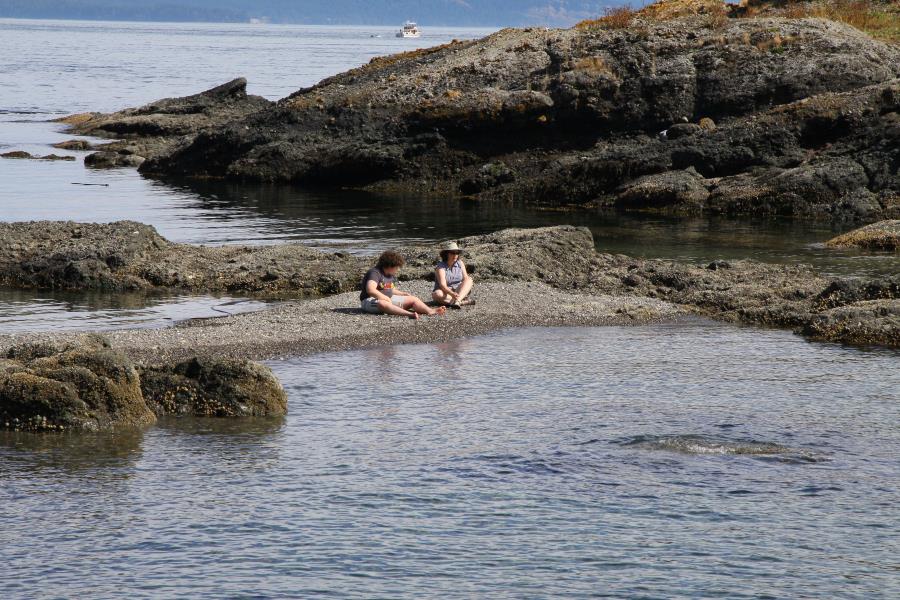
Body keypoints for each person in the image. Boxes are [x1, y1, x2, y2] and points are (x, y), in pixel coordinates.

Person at [360, 250, 446, 319]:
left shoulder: (390, 275)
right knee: (383, 303)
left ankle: (430, 311)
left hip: (388, 299)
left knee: (413, 299)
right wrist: (385, 298)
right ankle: (409, 314)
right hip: (370, 300)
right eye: (396, 267)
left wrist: (403, 294)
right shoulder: (375, 273)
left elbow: (390, 289)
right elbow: (370, 290)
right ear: (390, 266)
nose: (397, 270)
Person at [432, 241, 474, 308]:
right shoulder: (440, 267)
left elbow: (465, 278)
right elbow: (443, 285)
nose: (455, 255)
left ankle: (458, 301)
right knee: (437, 294)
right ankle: (461, 302)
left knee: (469, 279)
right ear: (446, 254)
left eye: (457, 253)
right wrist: (452, 293)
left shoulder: (460, 263)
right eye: (452, 253)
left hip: (459, 291)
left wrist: (461, 290)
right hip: (446, 292)